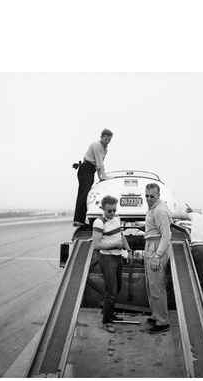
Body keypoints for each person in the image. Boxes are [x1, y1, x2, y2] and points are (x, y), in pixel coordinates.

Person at [173, 204, 203, 326]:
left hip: (198, 249)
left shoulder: (196, 216)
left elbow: (179, 215)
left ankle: (197, 314)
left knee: (196, 283)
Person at [92, 195, 132, 333]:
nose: (112, 213)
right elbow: (96, 244)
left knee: (117, 287)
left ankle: (108, 311)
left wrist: (128, 249)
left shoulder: (116, 217)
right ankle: (107, 321)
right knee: (112, 291)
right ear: (102, 208)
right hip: (107, 259)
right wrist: (115, 244)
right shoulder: (99, 222)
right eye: (109, 211)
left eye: (114, 210)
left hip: (117, 258)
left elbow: (121, 235)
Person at [143, 183, 172, 334]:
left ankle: (162, 322)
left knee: (157, 286)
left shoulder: (159, 210)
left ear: (158, 195)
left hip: (156, 247)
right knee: (151, 285)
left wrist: (157, 256)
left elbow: (167, 235)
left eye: (152, 196)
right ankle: (156, 314)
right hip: (151, 244)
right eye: (146, 195)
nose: (148, 198)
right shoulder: (153, 207)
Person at [72, 129, 113, 228]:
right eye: (106, 139)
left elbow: (100, 164)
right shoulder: (97, 145)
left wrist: (101, 177)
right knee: (83, 194)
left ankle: (80, 219)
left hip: (91, 170)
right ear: (101, 137)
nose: (107, 141)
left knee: (86, 194)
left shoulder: (105, 149)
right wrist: (105, 176)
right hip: (85, 169)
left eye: (109, 140)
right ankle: (78, 220)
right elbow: (99, 163)